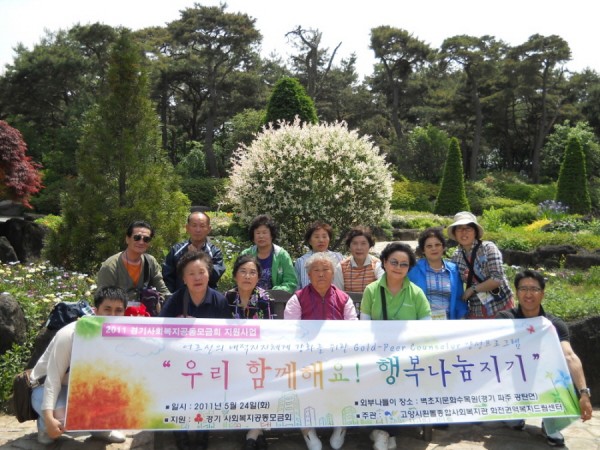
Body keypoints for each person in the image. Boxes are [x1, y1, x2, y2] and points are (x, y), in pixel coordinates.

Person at [497, 270, 593, 447]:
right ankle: (515, 413)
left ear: (542, 293)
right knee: (513, 422)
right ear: (516, 292)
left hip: (545, 377)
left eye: (534, 289)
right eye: (523, 288)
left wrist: (584, 393)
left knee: (561, 376)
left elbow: (569, 356)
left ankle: (551, 423)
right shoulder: (505, 320)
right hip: (514, 377)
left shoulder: (554, 324)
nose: (528, 294)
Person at [30, 286, 129, 445]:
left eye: (118, 310)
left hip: (80, 386)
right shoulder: (70, 335)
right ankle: (44, 425)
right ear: (96, 311)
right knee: (67, 420)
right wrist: (49, 418)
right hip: (46, 385)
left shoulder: (121, 337)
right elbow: (53, 380)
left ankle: (101, 429)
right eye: (107, 309)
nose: (112, 315)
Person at [360, 242, 431, 450]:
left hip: (407, 356)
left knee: (402, 380)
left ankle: (383, 432)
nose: (398, 267)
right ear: (384, 262)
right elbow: (364, 326)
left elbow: (426, 327)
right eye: (393, 262)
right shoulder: (372, 290)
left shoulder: (416, 293)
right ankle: (386, 432)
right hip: (377, 355)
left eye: (404, 264)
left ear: (409, 268)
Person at [285, 252, 357, 450]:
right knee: (300, 381)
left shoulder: (343, 298)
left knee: (347, 376)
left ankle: (340, 426)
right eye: (316, 270)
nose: (321, 274)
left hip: (337, 356)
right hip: (306, 357)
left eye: (326, 269)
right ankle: (308, 431)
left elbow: (353, 329)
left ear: (333, 273)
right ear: (308, 274)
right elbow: (291, 331)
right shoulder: (298, 298)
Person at [160, 250, 229, 450]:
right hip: (181, 361)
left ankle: (202, 433)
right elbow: (160, 331)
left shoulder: (219, 300)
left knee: (207, 393)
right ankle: (180, 433)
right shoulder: (175, 300)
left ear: (209, 274)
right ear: (183, 278)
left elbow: (228, 335)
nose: (197, 278)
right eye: (191, 273)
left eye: (201, 272)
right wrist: (178, 325)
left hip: (209, 361)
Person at [225, 254, 274, 449]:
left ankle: (253, 433)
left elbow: (269, 330)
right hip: (231, 355)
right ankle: (255, 433)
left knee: (263, 376)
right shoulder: (227, 297)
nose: (247, 276)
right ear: (235, 275)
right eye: (243, 271)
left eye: (252, 272)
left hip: (258, 354)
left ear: (258, 277)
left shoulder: (264, 298)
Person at [448, 211, 514, 319]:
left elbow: (497, 278)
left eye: (468, 228)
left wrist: (473, 289)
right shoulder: (456, 256)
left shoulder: (488, 248)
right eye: (459, 229)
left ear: (475, 232)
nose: (463, 232)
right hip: (476, 310)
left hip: (499, 305)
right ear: (455, 233)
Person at [96, 220, 170, 304]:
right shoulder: (111, 266)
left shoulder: (150, 262)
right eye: (137, 238)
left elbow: (162, 290)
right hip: (119, 310)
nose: (141, 242)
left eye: (146, 239)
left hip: (145, 310)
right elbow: (102, 299)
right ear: (127, 239)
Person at [408, 227, 467, 320]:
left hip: (448, 324)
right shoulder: (413, 270)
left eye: (437, 245)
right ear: (423, 250)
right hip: (422, 324)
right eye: (429, 246)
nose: (434, 248)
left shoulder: (453, 270)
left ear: (443, 247)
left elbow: (459, 299)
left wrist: (462, 318)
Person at [163, 211, 225, 292]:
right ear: (187, 228)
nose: (198, 230)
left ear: (209, 229)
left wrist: (197, 255)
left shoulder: (214, 252)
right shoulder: (176, 250)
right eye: (194, 225)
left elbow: (215, 276)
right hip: (180, 296)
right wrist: (173, 296)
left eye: (202, 226)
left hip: (207, 297)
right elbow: (167, 277)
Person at [240, 214, 298, 293]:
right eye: (258, 233)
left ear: (271, 235)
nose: (261, 236)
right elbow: (239, 278)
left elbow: (291, 282)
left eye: (264, 233)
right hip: (250, 297)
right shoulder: (246, 254)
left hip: (276, 298)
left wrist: (274, 292)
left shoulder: (282, 255)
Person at [333, 226, 384, 293]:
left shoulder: (378, 265)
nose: (359, 248)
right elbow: (337, 294)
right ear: (349, 246)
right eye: (355, 243)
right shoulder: (341, 267)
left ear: (370, 245)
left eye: (363, 243)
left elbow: (383, 289)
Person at [295, 221, 343, 289]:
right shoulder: (301, 261)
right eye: (316, 237)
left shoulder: (339, 258)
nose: (321, 240)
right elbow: (297, 287)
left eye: (324, 236)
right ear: (310, 241)